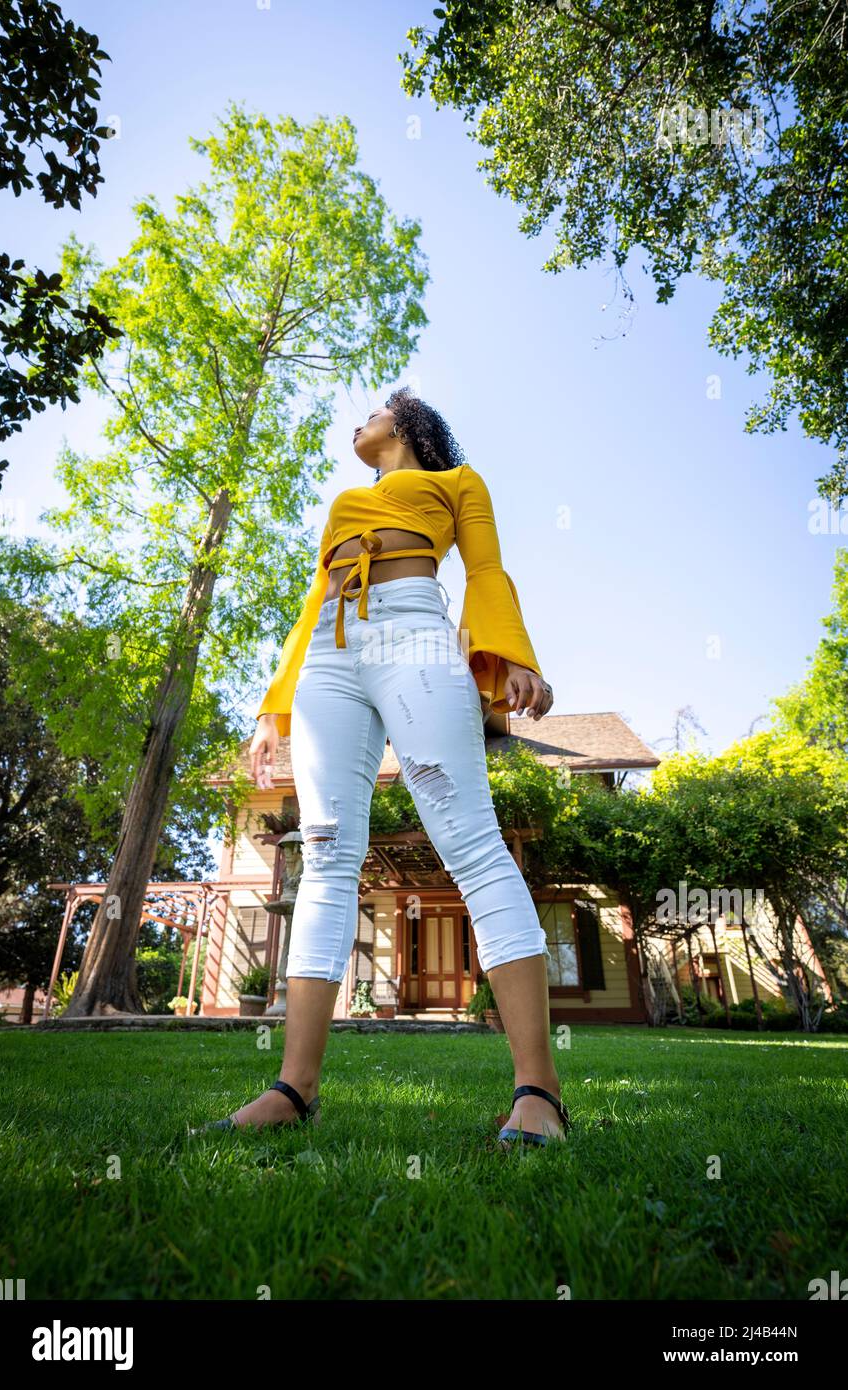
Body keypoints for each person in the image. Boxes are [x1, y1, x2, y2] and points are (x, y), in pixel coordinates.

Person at [194, 387, 571, 1147]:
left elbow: (487, 571)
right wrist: (276, 708)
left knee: (469, 840)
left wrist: (514, 657)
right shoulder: (344, 504)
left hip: (414, 633)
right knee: (328, 853)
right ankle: (292, 1090)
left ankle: (538, 1092)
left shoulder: (458, 483)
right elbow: (312, 603)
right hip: (333, 651)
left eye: (373, 410)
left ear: (407, 425)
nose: (358, 421)